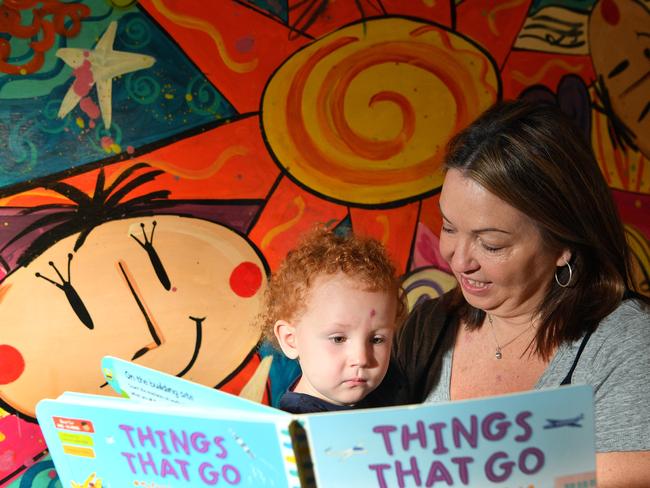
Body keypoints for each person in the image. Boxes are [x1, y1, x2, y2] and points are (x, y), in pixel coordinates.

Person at [368, 99, 650, 486]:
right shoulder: (429, 325)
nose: (459, 259)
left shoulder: (626, 346)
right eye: (449, 227)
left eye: (492, 244)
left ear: (562, 244)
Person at [259, 227, 406, 414]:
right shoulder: (301, 429)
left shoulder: (388, 393)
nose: (361, 359)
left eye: (377, 339)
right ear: (290, 339)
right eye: (338, 339)